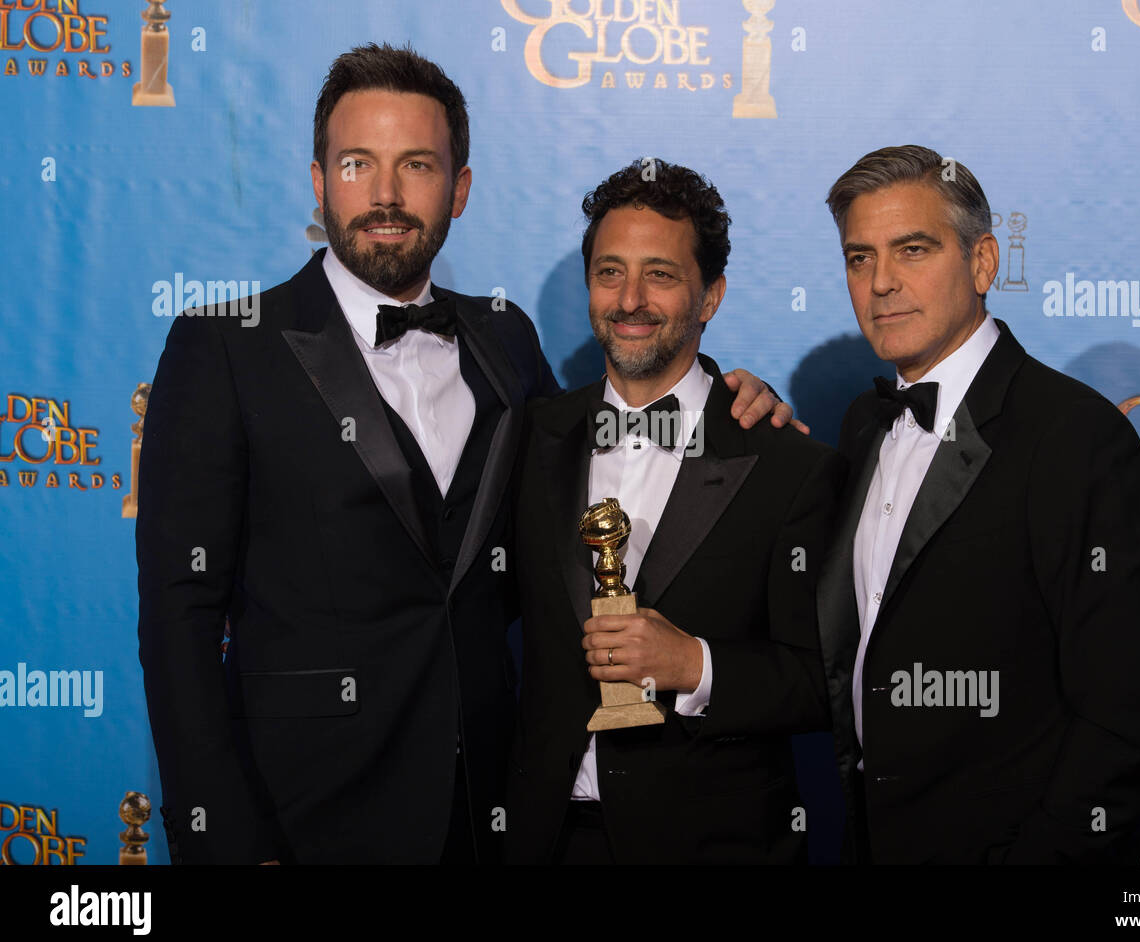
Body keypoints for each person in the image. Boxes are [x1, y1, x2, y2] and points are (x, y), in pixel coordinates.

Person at [135, 43, 790, 865]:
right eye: (356, 163)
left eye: (416, 164)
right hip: (303, 816)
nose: (384, 194)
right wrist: (225, 838)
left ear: (461, 187)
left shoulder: (504, 338)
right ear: (316, 181)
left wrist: (728, 397)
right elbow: (178, 622)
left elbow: (605, 448)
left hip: (493, 808)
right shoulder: (225, 348)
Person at [816, 145, 1140, 864]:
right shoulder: (864, 423)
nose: (881, 282)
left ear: (983, 263)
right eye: (860, 257)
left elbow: (1123, 717)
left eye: (912, 249)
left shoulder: (1077, 438)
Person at [506, 159, 845, 864]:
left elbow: (822, 682)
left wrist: (694, 663)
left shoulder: (787, 465)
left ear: (710, 295)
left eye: (660, 273)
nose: (630, 299)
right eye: (609, 272)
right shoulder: (529, 436)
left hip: (713, 846)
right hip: (544, 839)